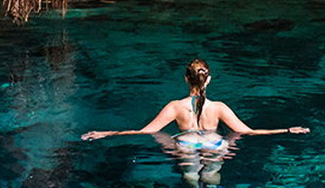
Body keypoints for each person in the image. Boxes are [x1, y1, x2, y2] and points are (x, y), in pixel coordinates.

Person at [81, 59, 311, 142]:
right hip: (214, 144)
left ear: (185, 79)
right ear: (208, 80)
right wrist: (287, 130)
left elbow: (144, 132)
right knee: (213, 175)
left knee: (189, 174)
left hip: (185, 144)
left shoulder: (174, 107)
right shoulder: (219, 108)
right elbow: (248, 132)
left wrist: (107, 133)